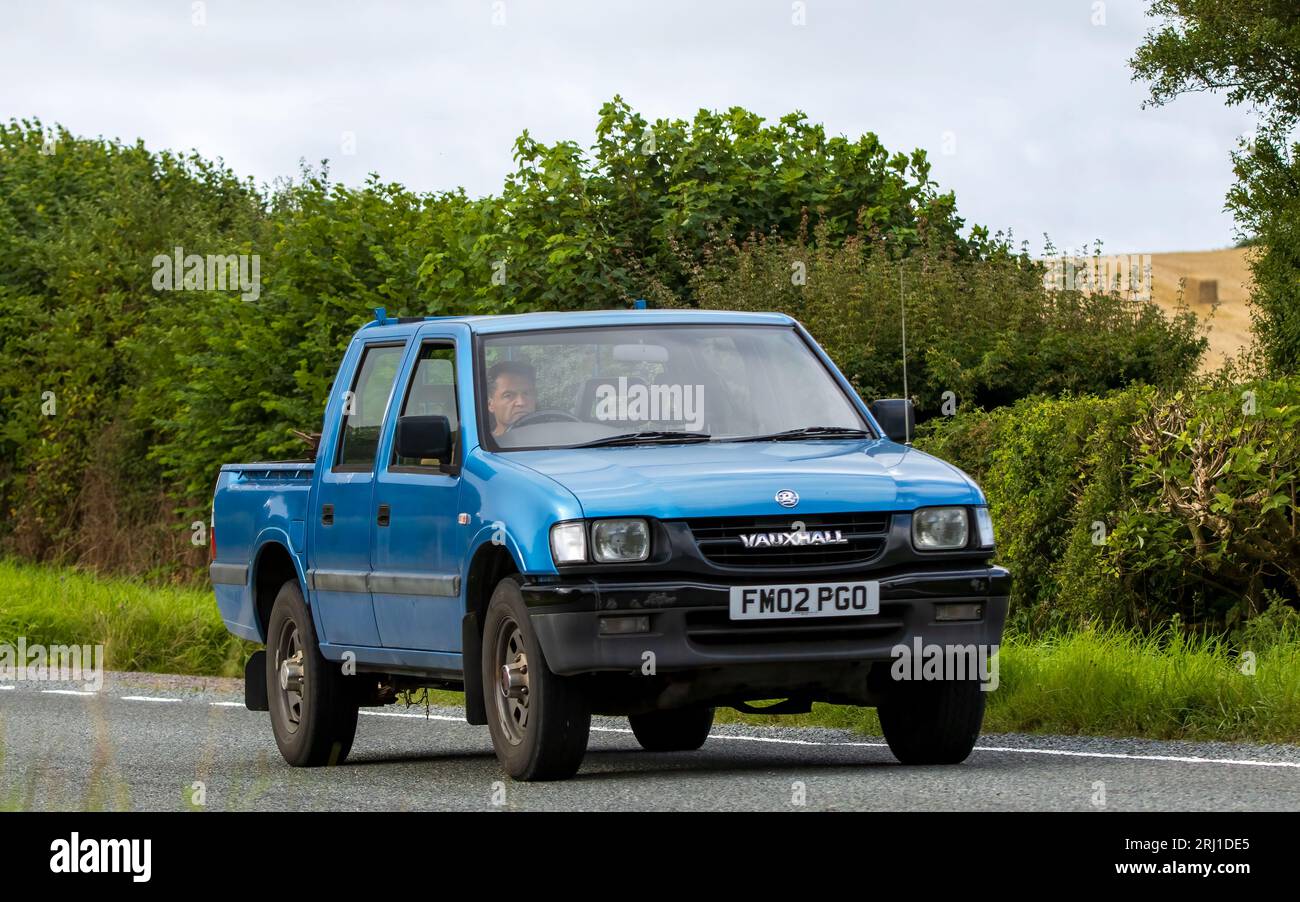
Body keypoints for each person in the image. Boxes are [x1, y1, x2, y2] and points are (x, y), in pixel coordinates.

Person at [486, 360, 537, 437]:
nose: (521, 402)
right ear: (490, 404)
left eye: (526, 393)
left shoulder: (551, 440)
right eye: (508, 395)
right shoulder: (485, 445)